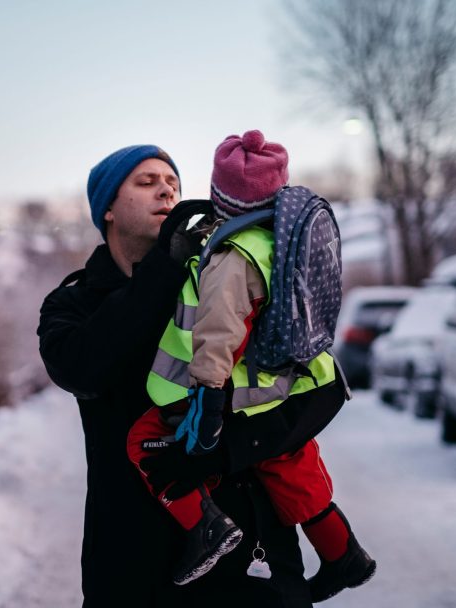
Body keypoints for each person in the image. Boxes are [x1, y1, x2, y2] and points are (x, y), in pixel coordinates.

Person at [38, 144, 348, 606]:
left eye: (172, 183)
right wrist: (167, 264)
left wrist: (223, 452)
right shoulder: (73, 305)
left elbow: (321, 395)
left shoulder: (228, 279)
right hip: (133, 566)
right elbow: (86, 369)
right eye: (146, 182)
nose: (165, 190)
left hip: (254, 563)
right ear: (106, 210)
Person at [124, 131, 376, 599]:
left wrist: (206, 404)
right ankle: (344, 555)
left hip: (235, 392)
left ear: (220, 198)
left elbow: (219, 335)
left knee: (144, 441)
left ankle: (206, 530)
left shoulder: (231, 255)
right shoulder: (280, 240)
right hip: (294, 382)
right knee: (287, 461)